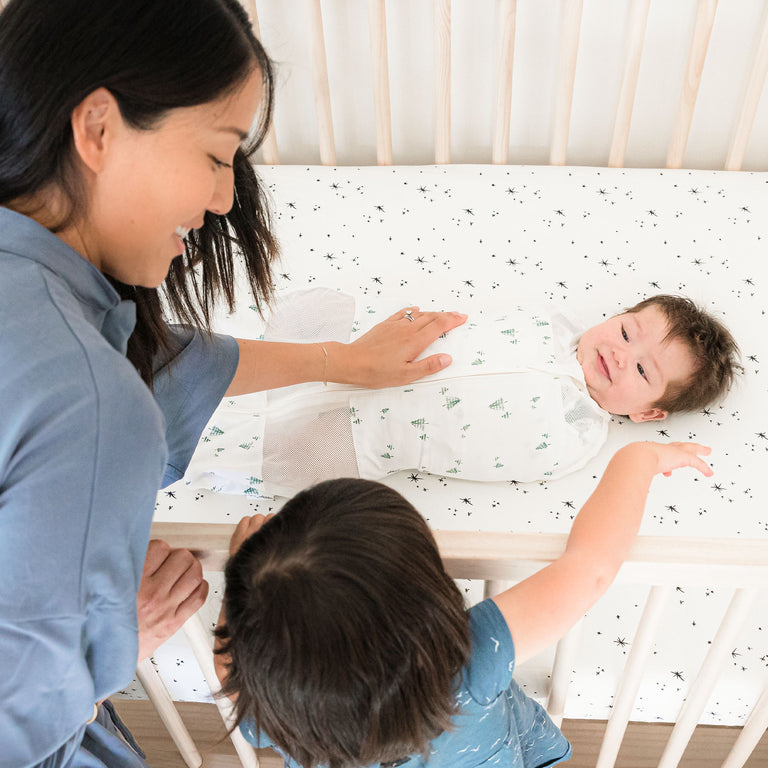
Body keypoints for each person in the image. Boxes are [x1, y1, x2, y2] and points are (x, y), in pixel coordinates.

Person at [0, 1, 465, 765]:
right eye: (219, 156)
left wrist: (334, 362)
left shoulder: (47, 312)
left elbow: (161, 360)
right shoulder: (87, 402)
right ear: (97, 129)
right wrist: (105, 656)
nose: (223, 198)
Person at [214, 440, 713, 768]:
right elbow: (592, 567)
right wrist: (638, 459)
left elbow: (229, 671)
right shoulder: (473, 658)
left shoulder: (284, 714)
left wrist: (244, 576)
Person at [188, 290, 738, 495]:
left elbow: (475, 458)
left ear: (647, 413)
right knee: (270, 345)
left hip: (367, 433)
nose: (621, 353)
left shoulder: (574, 438)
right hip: (364, 352)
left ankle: (189, 451)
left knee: (249, 447)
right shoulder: (540, 321)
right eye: (625, 331)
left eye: (642, 372)